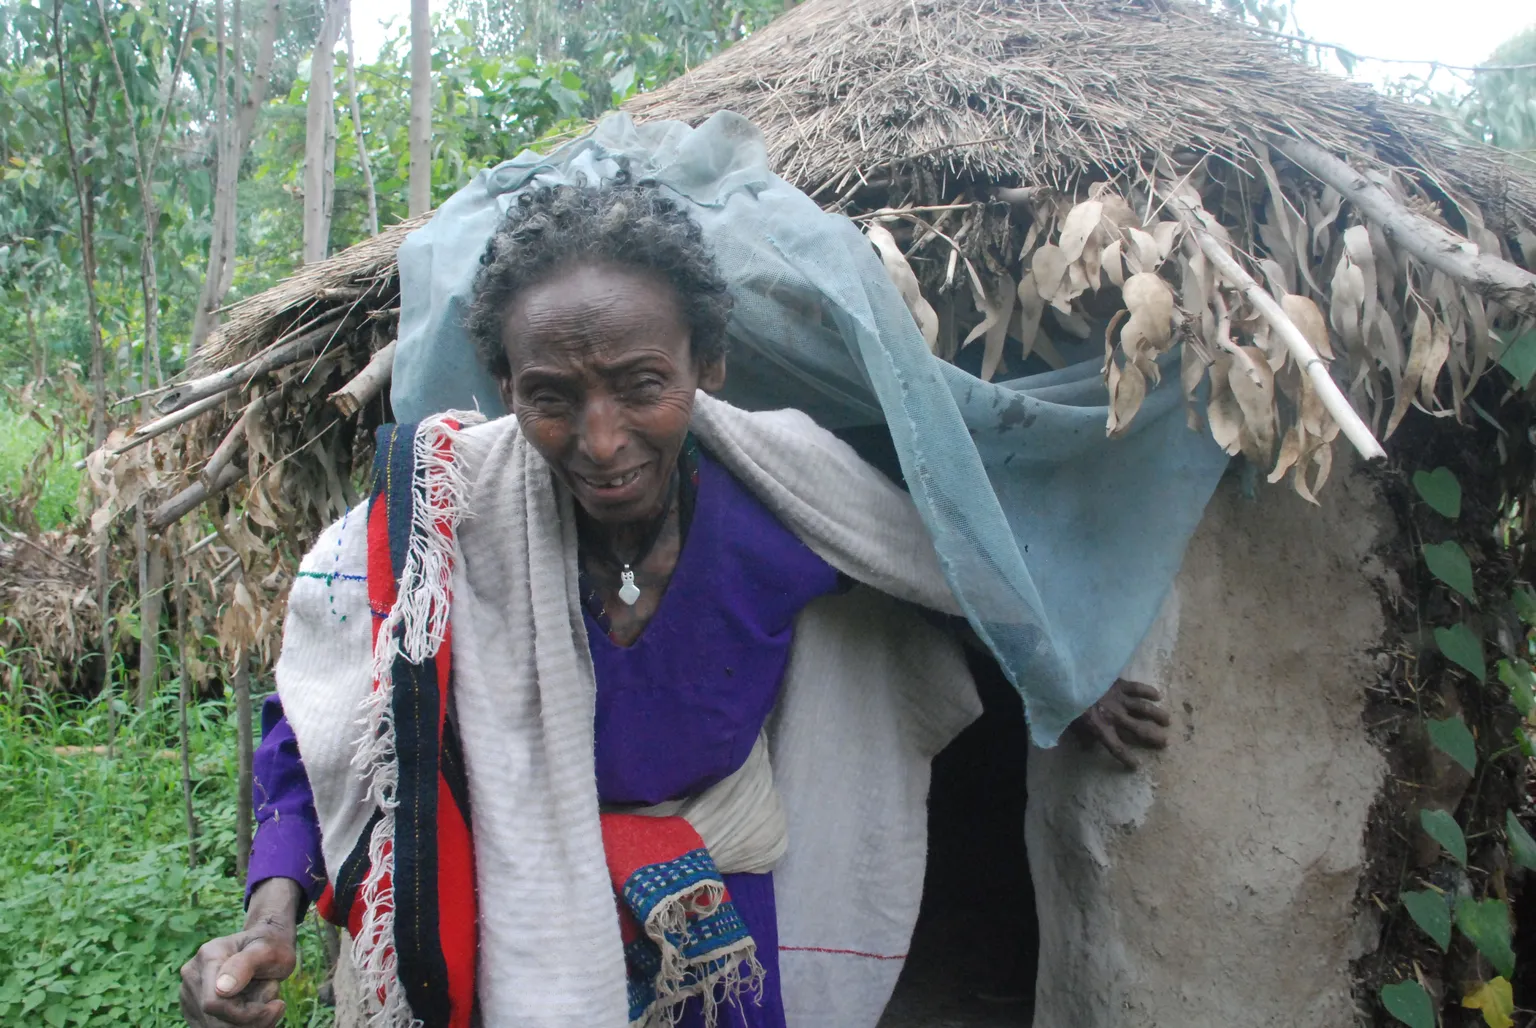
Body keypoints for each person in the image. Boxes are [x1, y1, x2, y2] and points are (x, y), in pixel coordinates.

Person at [180, 181, 1169, 1028]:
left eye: (642, 384)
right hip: (521, 905)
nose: (602, 441)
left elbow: (939, 572)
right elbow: (327, 728)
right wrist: (273, 915)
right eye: (552, 395)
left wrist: (1060, 675)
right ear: (502, 386)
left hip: (727, 913)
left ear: (710, 364)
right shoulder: (446, 520)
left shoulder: (787, 499)